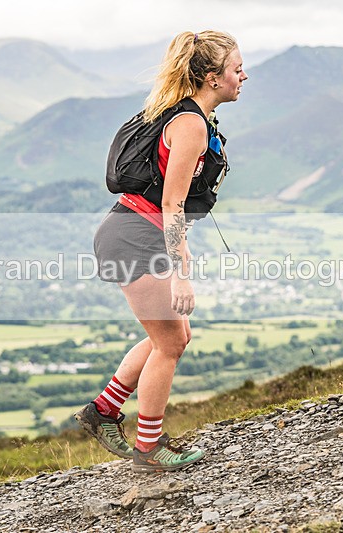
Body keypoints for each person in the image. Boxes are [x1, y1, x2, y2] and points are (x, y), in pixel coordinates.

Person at [75, 30, 247, 473]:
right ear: (212, 77)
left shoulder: (184, 115)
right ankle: (148, 446)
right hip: (136, 235)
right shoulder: (189, 124)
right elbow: (170, 202)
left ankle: (103, 410)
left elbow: (171, 204)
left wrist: (181, 248)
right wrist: (180, 272)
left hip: (135, 229)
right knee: (169, 342)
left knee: (173, 337)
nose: (243, 75)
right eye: (235, 68)